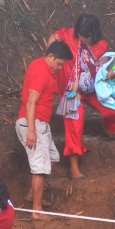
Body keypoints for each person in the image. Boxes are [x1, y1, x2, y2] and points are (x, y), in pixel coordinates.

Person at [48, 15, 115, 179]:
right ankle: (74, 168)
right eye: (80, 34)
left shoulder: (102, 46)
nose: (82, 38)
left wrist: (109, 74)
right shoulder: (68, 35)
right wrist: (51, 59)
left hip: (93, 89)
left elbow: (107, 67)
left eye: (86, 35)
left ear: (94, 33)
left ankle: (111, 127)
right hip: (71, 91)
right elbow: (54, 37)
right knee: (74, 123)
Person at [15, 40, 72, 218]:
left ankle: (33, 194)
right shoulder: (41, 72)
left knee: (52, 157)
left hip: (41, 124)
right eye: (59, 64)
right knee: (40, 168)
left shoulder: (42, 66)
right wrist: (31, 130)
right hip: (34, 123)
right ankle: (37, 210)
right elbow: (31, 101)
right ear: (50, 56)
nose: (60, 68)